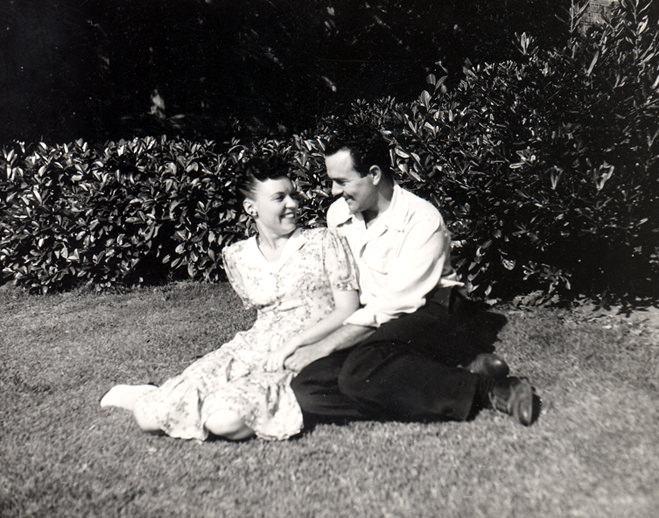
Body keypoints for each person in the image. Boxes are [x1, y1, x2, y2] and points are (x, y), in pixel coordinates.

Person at [286, 123, 537, 426]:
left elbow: (395, 304)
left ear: (375, 175)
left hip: (429, 310)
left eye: (341, 181)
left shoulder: (422, 220)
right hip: (374, 321)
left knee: (359, 371)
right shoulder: (338, 215)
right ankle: (449, 371)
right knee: (307, 391)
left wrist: (325, 345)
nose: (334, 191)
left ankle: (491, 388)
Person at [100, 155, 360, 441]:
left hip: (302, 351)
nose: (293, 204)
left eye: (293, 195)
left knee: (224, 421)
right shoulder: (237, 256)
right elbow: (264, 318)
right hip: (251, 348)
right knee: (149, 417)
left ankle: (209, 400)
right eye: (280, 198)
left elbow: (347, 310)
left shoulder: (324, 241)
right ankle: (151, 393)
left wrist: (293, 344)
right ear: (252, 208)